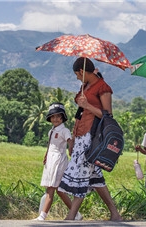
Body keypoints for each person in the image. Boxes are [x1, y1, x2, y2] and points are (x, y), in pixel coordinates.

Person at [58, 57, 122, 221]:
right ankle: (115, 213)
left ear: (81, 71)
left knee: (81, 172)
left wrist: (88, 106)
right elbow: (79, 114)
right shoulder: (84, 87)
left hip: (92, 137)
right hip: (80, 134)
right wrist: (72, 138)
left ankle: (71, 215)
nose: (77, 78)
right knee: (94, 177)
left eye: (77, 75)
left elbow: (108, 115)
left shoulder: (103, 88)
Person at [34, 103, 83, 221]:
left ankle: (42, 215)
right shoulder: (51, 131)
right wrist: (46, 156)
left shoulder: (64, 130)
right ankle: (76, 214)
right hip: (51, 160)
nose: (55, 119)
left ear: (62, 118)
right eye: (53, 117)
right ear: (50, 118)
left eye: (58, 117)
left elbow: (70, 141)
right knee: (60, 190)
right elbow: (50, 145)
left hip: (58, 161)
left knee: (50, 188)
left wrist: (73, 151)